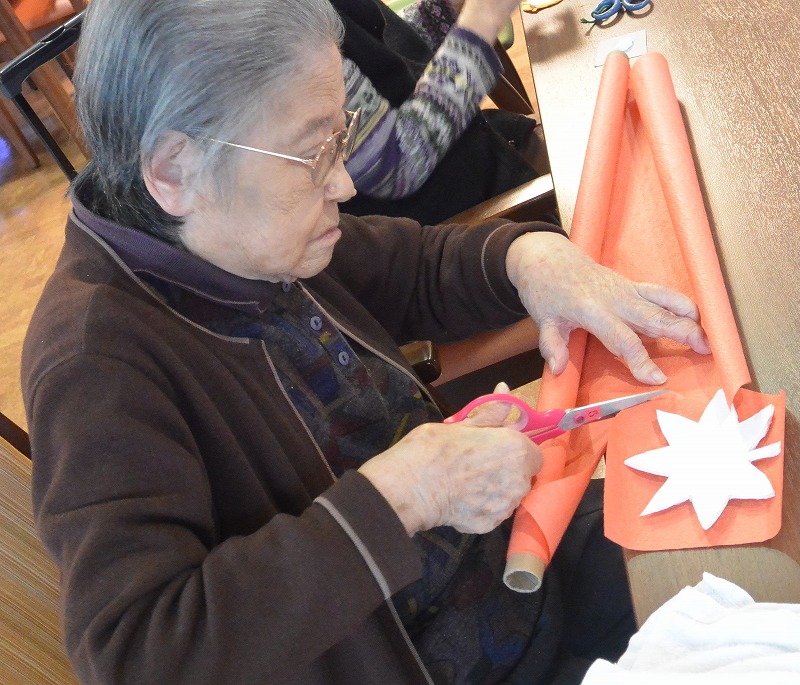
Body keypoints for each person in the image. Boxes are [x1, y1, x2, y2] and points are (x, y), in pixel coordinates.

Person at [22, 0, 711, 683]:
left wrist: (526, 261)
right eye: (311, 153)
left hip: (517, 558)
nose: (345, 183)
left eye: (339, 138)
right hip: (448, 660)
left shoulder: (239, 232)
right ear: (174, 171)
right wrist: (404, 495)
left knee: (731, 544)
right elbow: (138, 654)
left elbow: (409, 268)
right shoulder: (94, 364)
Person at [332, 0, 542, 224]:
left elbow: (378, 53)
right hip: (461, 216)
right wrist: (484, 18)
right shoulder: (303, 31)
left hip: (478, 144)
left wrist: (439, 11)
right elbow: (395, 167)